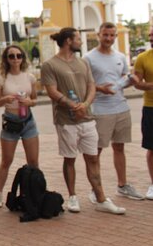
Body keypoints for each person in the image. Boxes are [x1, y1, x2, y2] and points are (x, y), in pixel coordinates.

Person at [41, 27, 125, 214]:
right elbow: (52, 91)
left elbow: (91, 86)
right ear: (68, 41)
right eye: (78, 38)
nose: (81, 41)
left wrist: (85, 104)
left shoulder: (83, 63)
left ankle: (101, 198)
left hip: (87, 119)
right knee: (70, 159)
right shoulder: (50, 65)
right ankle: (72, 197)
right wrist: (72, 105)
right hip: (66, 121)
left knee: (93, 158)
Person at [84, 22, 144, 201]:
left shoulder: (120, 56)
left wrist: (130, 80)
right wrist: (101, 89)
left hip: (121, 107)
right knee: (97, 151)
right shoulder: (89, 58)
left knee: (119, 147)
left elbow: (124, 77)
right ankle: (96, 190)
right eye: (105, 35)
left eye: (112, 35)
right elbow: (85, 83)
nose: (108, 38)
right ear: (98, 35)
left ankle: (122, 185)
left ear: (116, 37)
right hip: (101, 110)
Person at [0, 45, 40, 208]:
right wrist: (6, 99)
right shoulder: (1, 79)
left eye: (18, 56)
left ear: (23, 58)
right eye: (11, 56)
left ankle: (35, 192)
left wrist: (29, 102)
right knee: (6, 160)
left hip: (28, 121)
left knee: (33, 161)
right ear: (6, 59)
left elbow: (34, 99)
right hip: (10, 122)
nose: (15, 59)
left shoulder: (30, 77)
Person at [133, 24, 153, 200]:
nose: (152, 38)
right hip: (150, 108)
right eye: (151, 35)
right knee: (152, 148)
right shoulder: (142, 58)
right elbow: (136, 82)